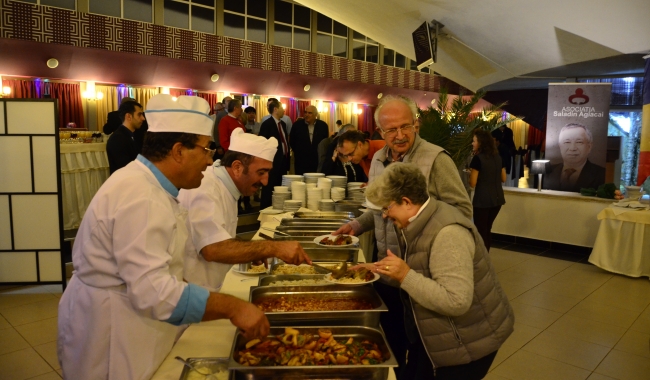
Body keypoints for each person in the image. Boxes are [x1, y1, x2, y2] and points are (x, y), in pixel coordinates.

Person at [57, 95, 270, 380]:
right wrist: (233, 306)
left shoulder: (154, 187)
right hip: (112, 328)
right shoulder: (140, 195)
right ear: (179, 151)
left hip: (133, 317)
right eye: (207, 150)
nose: (210, 161)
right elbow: (153, 292)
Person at [333, 95, 472, 370]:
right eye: (391, 130)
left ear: (416, 124)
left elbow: (462, 211)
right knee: (390, 342)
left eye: (405, 127)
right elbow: (378, 208)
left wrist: (424, 227)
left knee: (420, 350)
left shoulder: (436, 159)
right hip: (385, 269)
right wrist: (357, 225)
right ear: (380, 133)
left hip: (420, 273)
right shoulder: (377, 159)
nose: (399, 135)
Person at [360, 162, 514, 380]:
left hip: (467, 344)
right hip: (440, 335)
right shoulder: (422, 217)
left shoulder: (448, 234)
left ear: (406, 201)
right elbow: (423, 267)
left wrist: (405, 276)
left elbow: (456, 301)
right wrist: (373, 268)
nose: (385, 215)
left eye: (387, 208)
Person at [178, 128, 311, 291]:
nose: (265, 181)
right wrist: (273, 248)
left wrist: (252, 252)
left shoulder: (226, 185)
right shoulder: (206, 187)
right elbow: (213, 248)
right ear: (237, 167)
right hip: (191, 295)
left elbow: (222, 237)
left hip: (209, 288)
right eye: (261, 172)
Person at [469, 129, 506, 251]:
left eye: (474, 141)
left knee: (480, 231)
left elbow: (473, 183)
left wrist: (471, 173)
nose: (472, 143)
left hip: (482, 200)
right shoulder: (498, 157)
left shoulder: (477, 159)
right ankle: (486, 257)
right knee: (487, 229)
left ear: (480, 142)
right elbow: (503, 178)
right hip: (497, 199)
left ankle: (482, 259)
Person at [544, 123, 606, 192]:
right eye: (567, 142)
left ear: (589, 146)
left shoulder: (602, 174)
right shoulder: (548, 172)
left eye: (579, 142)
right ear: (560, 146)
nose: (572, 148)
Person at [258, 98, 290, 209]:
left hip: (283, 161)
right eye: (282, 108)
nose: (284, 111)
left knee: (280, 188)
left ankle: (277, 209)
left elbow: (285, 142)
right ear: (275, 109)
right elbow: (262, 143)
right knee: (269, 188)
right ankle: (265, 211)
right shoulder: (267, 124)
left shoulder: (283, 125)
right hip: (272, 162)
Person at [106, 100, 145, 174]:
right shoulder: (117, 139)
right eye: (139, 115)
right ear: (128, 116)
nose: (143, 118)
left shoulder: (130, 134)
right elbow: (126, 167)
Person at [289, 105, 329, 175]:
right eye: (305, 112)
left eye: (310, 113)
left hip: (317, 160)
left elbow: (325, 142)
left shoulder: (323, 126)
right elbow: (292, 141)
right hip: (301, 160)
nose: (307, 115)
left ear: (316, 115)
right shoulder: (297, 125)